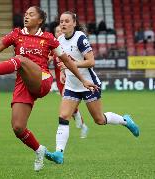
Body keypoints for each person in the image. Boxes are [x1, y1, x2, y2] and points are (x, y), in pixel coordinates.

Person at [0, 6, 98, 171]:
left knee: (20, 59)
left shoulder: (49, 38)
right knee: (18, 127)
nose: (26, 17)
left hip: (42, 79)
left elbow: (67, 61)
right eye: (25, 14)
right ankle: (39, 151)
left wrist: (82, 79)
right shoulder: (16, 34)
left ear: (40, 20)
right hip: (23, 84)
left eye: (31, 14)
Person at [45, 11, 140, 165]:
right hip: (72, 86)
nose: (63, 24)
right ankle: (59, 153)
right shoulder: (59, 40)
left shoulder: (80, 38)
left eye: (67, 21)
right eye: (61, 21)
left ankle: (125, 120)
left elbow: (91, 62)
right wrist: (63, 71)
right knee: (63, 117)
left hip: (89, 84)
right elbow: (62, 59)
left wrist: (71, 65)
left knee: (99, 120)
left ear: (74, 23)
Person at [51, 25, 88, 138]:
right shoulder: (54, 46)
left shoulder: (66, 45)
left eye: (60, 31)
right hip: (59, 78)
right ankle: (81, 124)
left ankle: (81, 124)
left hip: (70, 77)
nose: (58, 33)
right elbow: (49, 57)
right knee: (69, 106)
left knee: (67, 104)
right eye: (56, 31)